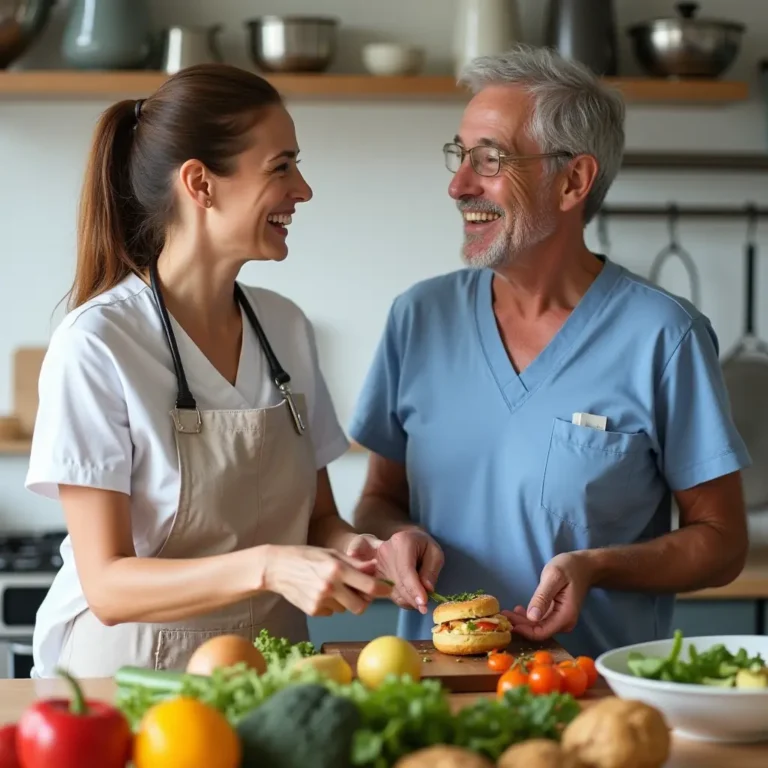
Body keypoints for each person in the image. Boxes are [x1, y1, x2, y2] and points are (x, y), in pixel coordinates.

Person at [349, 45, 751, 660]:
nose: (459, 185)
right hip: (433, 693)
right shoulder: (418, 318)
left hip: (587, 700)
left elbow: (722, 543)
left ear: (572, 181)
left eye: (490, 160)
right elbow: (379, 498)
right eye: (460, 156)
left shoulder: (665, 338)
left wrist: (597, 565)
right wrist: (396, 537)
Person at [25, 63, 394, 678]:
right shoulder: (97, 343)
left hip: (274, 673)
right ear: (200, 183)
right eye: (282, 166)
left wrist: (357, 550)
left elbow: (320, 520)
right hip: (129, 678)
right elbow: (107, 586)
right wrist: (270, 565)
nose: (302, 190)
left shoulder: (287, 329)